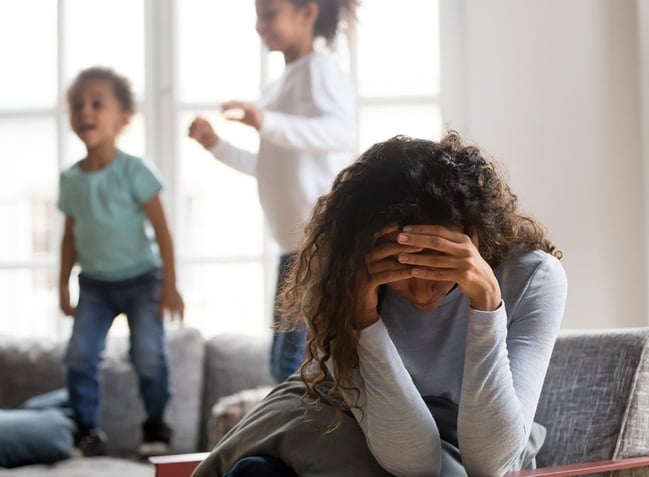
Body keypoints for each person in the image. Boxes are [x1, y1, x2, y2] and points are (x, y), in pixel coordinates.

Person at [192, 131, 568, 477]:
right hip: (348, 412)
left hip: (468, 434)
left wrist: (487, 305)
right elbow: (413, 459)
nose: (420, 291)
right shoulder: (340, 275)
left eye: (437, 263)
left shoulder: (532, 277)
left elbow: (491, 462)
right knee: (256, 473)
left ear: (473, 236)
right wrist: (363, 319)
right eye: (399, 267)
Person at [187, 0, 358, 384]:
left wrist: (266, 120)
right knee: (283, 361)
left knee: (293, 362)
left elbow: (340, 134)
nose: (259, 25)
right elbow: (266, 167)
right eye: (258, 15)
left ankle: (295, 438)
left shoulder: (321, 69)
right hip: (292, 243)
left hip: (320, 238)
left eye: (268, 14)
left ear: (306, 13)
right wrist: (216, 145)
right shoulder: (278, 86)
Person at [58, 66, 185, 458]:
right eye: (78, 105)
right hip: (94, 284)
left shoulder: (135, 170)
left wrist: (170, 285)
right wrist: (63, 284)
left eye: (97, 104)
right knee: (79, 355)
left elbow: (163, 231)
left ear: (123, 118)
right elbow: (69, 237)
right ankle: (86, 431)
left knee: (147, 353)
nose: (85, 112)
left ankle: (155, 425)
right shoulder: (71, 180)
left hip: (143, 279)